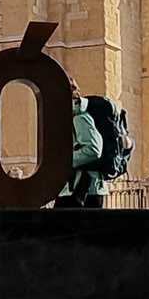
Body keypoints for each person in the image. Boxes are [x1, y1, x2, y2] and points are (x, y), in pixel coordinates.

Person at [55, 77, 106, 209]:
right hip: (75, 188)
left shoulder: (79, 115)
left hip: (83, 190)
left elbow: (93, 149)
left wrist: (65, 161)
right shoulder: (71, 115)